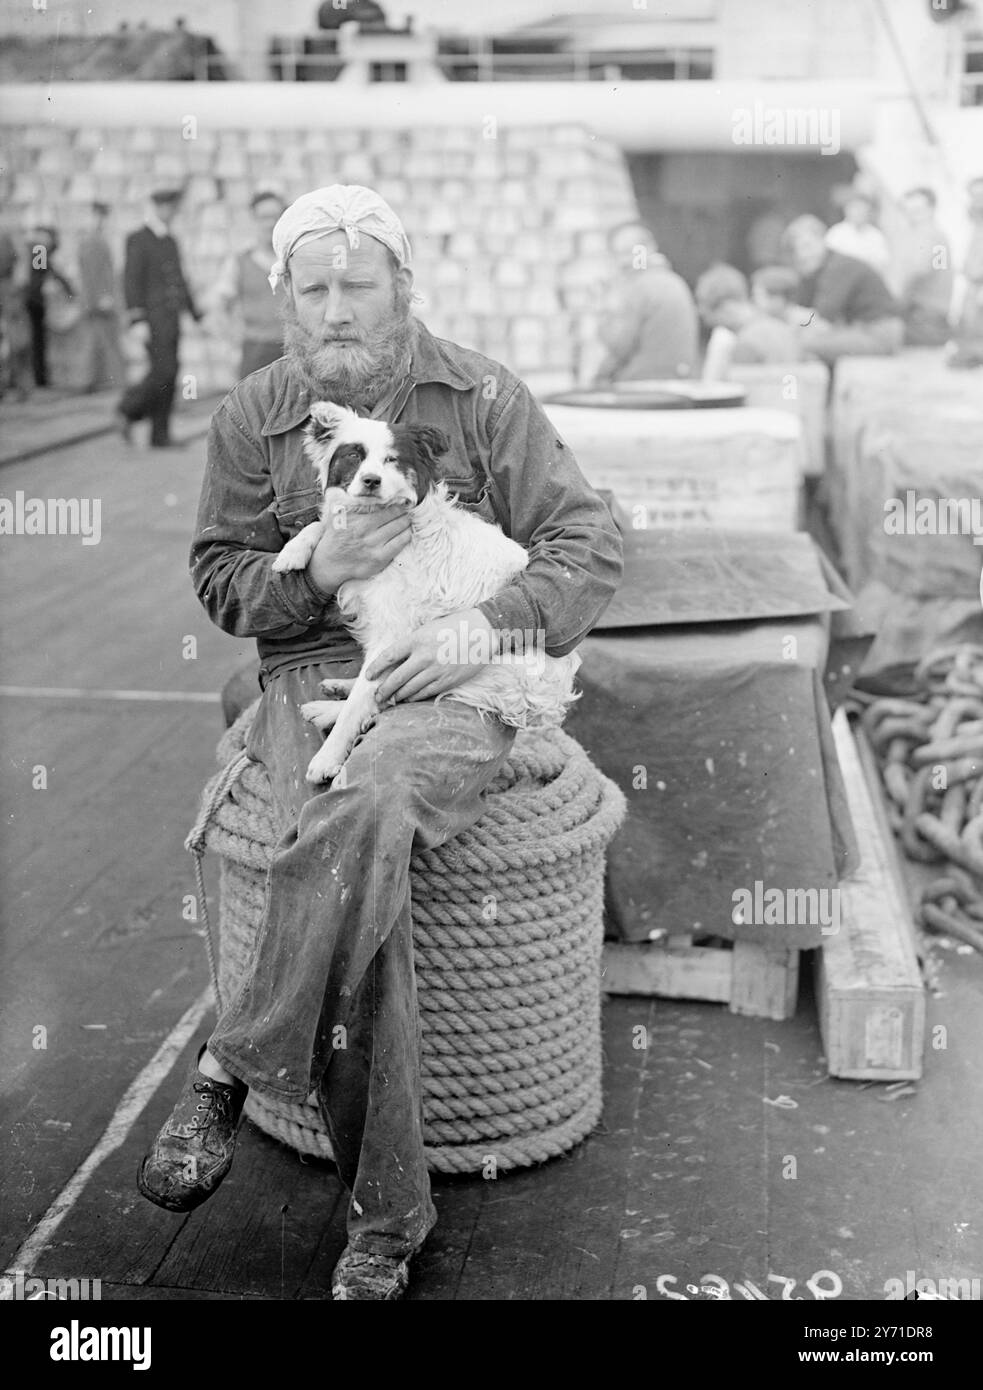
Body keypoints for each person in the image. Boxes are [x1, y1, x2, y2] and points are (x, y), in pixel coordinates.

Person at [136, 184, 624, 1301]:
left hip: (460, 673)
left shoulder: (481, 393)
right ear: (285, 301)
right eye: (315, 289)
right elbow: (219, 579)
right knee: (362, 863)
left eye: (360, 285)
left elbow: (589, 541)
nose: (337, 309)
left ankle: (231, 1063)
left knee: (361, 808)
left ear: (402, 288)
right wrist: (307, 570)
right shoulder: (250, 413)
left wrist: (479, 628)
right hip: (311, 667)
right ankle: (387, 1224)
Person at [117, 188, 201, 447]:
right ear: (157, 208)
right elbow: (131, 280)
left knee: (169, 373)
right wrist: (136, 319)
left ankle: (159, 435)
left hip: (171, 319)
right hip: (151, 321)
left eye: (172, 208)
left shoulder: (170, 240)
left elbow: (179, 280)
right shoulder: (138, 238)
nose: (170, 213)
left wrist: (195, 313)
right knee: (163, 372)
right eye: (166, 208)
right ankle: (129, 409)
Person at [784, 214, 903, 363]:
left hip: (878, 334)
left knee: (804, 345)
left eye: (808, 246)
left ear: (822, 240)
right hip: (865, 330)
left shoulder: (838, 267)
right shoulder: (826, 267)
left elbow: (823, 320)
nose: (803, 255)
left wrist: (797, 320)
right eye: (797, 250)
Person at [593, 220, 699, 383]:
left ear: (649, 249)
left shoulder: (640, 286)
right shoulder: (674, 280)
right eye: (618, 254)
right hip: (677, 381)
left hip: (643, 385)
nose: (623, 261)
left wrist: (602, 310)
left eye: (630, 252)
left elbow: (620, 346)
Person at [206, 189, 286, 379]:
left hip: (293, 350)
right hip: (255, 351)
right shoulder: (240, 261)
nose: (270, 223)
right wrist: (229, 349)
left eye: (276, 216)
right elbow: (219, 307)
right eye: (264, 217)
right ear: (254, 220)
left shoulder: (293, 260)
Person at [695, 262, 802, 374]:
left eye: (713, 319)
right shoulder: (781, 328)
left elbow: (737, 387)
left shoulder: (746, 343)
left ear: (727, 307)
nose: (717, 326)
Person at [891, 186, 954, 348]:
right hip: (928, 315)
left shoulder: (931, 235)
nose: (912, 215)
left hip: (923, 317)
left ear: (931, 209)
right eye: (908, 210)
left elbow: (918, 271)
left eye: (918, 209)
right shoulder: (926, 235)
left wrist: (894, 302)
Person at [77, 201, 124, 393]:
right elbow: (93, 274)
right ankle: (99, 381)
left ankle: (91, 380)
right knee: (101, 341)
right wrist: (101, 298)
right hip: (98, 301)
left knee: (97, 341)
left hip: (97, 299)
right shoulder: (92, 241)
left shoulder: (96, 239)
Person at [23, 225, 75, 389]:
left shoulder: (37, 249)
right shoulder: (39, 249)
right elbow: (46, 270)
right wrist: (69, 289)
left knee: (39, 339)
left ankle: (41, 376)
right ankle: (40, 378)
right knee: (38, 339)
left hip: (35, 299)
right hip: (36, 300)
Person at [951, 175, 983, 368]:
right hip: (968, 284)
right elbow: (942, 257)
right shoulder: (967, 225)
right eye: (974, 195)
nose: (978, 199)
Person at [824, 190, 893, 279]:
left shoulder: (876, 236)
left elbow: (882, 263)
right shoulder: (835, 234)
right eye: (856, 209)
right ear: (847, 209)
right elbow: (828, 263)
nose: (860, 213)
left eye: (863, 209)